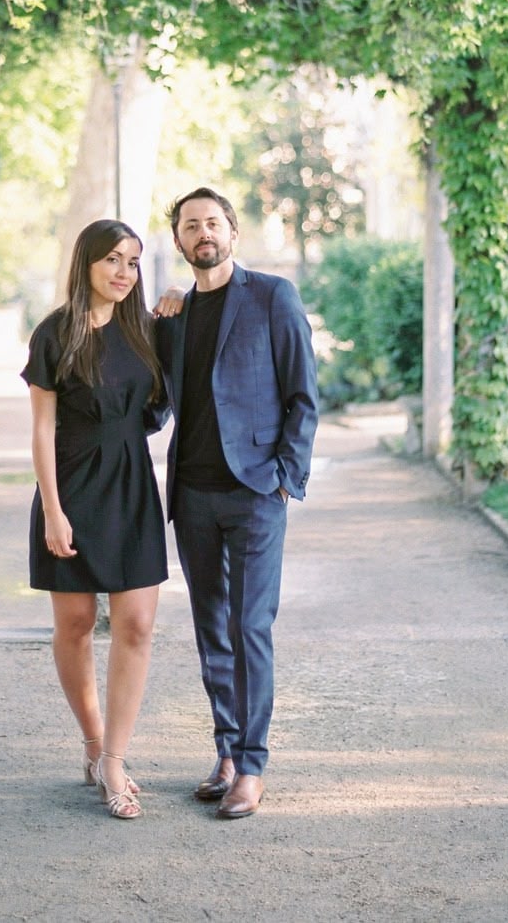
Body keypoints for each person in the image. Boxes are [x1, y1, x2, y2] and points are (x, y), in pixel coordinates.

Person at [154, 186, 319, 819]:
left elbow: (303, 393)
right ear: (178, 242)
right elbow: (157, 404)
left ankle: (252, 766)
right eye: (191, 226)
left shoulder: (272, 297)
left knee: (249, 627)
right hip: (193, 496)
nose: (203, 233)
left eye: (213, 223)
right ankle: (225, 751)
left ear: (233, 233)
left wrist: (286, 476)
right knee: (210, 628)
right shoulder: (172, 317)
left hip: (255, 493)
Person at [23, 218, 167, 820]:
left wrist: (176, 303)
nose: (123, 273)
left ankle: (114, 758)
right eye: (112, 260)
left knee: (134, 624)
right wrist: (54, 511)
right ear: (86, 264)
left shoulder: (147, 331)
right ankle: (90, 739)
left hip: (132, 485)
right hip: (73, 487)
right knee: (78, 624)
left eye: (133, 262)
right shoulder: (55, 333)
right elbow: (41, 429)